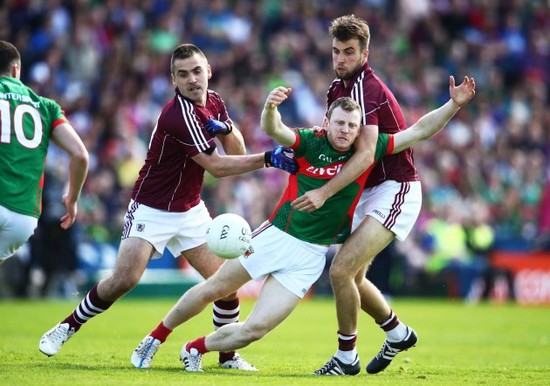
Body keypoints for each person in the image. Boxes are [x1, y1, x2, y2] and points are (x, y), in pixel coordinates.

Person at [130, 74, 475, 372]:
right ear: (328, 121)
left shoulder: (369, 151)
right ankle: (154, 338)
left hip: (311, 257)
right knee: (214, 288)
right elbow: (275, 130)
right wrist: (269, 108)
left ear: (359, 131)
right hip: (278, 235)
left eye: (352, 126)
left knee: (255, 329)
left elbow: (420, 130)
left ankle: (195, 348)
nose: (345, 130)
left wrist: (453, 105)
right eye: (339, 123)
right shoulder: (310, 140)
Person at [38, 43, 297, 371]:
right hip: (151, 207)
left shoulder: (214, 101)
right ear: (173, 80)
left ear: (208, 71)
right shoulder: (179, 115)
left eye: (197, 71)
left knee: (226, 283)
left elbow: (235, 149)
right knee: (124, 280)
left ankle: (227, 357)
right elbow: (217, 167)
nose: (192, 79)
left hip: (189, 210)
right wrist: (267, 158)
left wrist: (228, 128)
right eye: (183, 74)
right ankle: (66, 327)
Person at [290, 15, 475, 375]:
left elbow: (365, 154)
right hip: (371, 192)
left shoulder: (366, 90)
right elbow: (333, 143)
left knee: (341, 271)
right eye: (335, 51)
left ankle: (346, 358)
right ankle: (398, 332)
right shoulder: (335, 90)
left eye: (348, 52)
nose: (340, 59)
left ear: (365, 53)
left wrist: (325, 193)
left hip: (396, 189)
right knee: (353, 278)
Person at [0, 40, 89, 266]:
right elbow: (80, 155)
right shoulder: (46, 106)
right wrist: (73, 199)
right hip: (24, 219)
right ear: (15, 70)